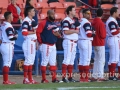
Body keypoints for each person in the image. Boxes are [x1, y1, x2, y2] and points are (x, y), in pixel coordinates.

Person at [36, 10, 61, 83]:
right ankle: (43, 79)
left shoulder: (54, 23)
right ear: (48, 14)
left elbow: (58, 34)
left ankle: (54, 78)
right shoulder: (43, 23)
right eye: (52, 14)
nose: (53, 16)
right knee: (44, 62)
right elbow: (38, 32)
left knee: (53, 63)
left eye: (54, 14)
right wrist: (40, 42)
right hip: (46, 44)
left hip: (53, 44)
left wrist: (58, 35)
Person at [61, 5, 79, 83]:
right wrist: (74, 31)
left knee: (71, 60)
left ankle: (70, 77)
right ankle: (64, 77)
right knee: (67, 59)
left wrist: (75, 30)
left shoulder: (74, 20)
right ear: (70, 11)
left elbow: (77, 30)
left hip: (74, 42)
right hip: (68, 41)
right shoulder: (66, 20)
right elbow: (66, 32)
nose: (75, 11)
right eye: (74, 10)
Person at [22, 6, 39, 84]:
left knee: (31, 61)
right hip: (28, 41)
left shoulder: (33, 20)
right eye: (33, 11)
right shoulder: (26, 21)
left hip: (33, 41)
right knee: (28, 60)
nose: (34, 12)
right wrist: (33, 32)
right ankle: (25, 79)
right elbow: (24, 32)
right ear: (29, 12)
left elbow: (34, 32)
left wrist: (36, 42)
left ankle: (30, 78)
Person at [0, 11, 18, 84]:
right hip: (8, 44)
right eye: (12, 16)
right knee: (7, 63)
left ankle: (5, 80)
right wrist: (16, 36)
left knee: (5, 63)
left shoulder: (2, 25)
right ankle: (6, 80)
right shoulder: (8, 25)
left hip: (3, 44)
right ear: (9, 17)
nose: (13, 17)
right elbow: (10, 37)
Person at [78, 9, 95, 82]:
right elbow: (88, 34)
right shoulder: (86, 22)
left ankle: (82, 77)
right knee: (86, 60)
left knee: (82, 59)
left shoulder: (80, 21)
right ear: (83, 14)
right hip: (86, 41)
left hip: (80, 40)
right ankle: (86, 78)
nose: (89, 14)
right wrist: (94, 33)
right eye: (87, 13)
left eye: (89, 13)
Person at [91, 8, 107, 82]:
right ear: (102, 14)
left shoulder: (93, 21)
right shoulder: (101, 23)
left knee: (96, 60)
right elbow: (103, 35)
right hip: (100, 43)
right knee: (101, 60)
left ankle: (94, 75)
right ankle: (100, 76)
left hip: (94, 42)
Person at [106, 7, 120, 81]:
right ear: (114, 13)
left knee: (113, 59)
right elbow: (114, 32)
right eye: (117, 12)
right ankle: (112, 75)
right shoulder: (111, 21)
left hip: (113, 39)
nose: (118, 13)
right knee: (114, 59)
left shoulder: (113, 20)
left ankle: (112, 75)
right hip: (113, 39)